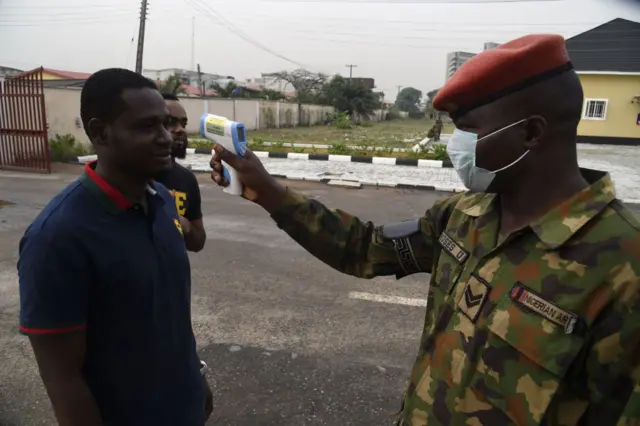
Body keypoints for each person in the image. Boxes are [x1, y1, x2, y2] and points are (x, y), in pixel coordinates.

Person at [209, 35, 640, 425]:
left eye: (469, 130)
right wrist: (267, 191)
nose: (457, 145)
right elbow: (364, 248)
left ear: (531, 132)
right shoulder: (464, 215)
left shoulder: (624, 267)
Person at [18, 68, 213, 426]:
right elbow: (63, 379)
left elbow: (167, 315)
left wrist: (194, 377)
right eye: (145, 126)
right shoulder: (58, 237)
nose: (165, 138)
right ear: (99, 133)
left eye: (166, 124)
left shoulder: (164, 200)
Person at [155, 93, 206, 252]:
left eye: (183, 124)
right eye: (170, 122)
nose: (180, 130)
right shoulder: (131, 178)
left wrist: (184, 226)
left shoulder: (186, 179)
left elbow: (198, 242)